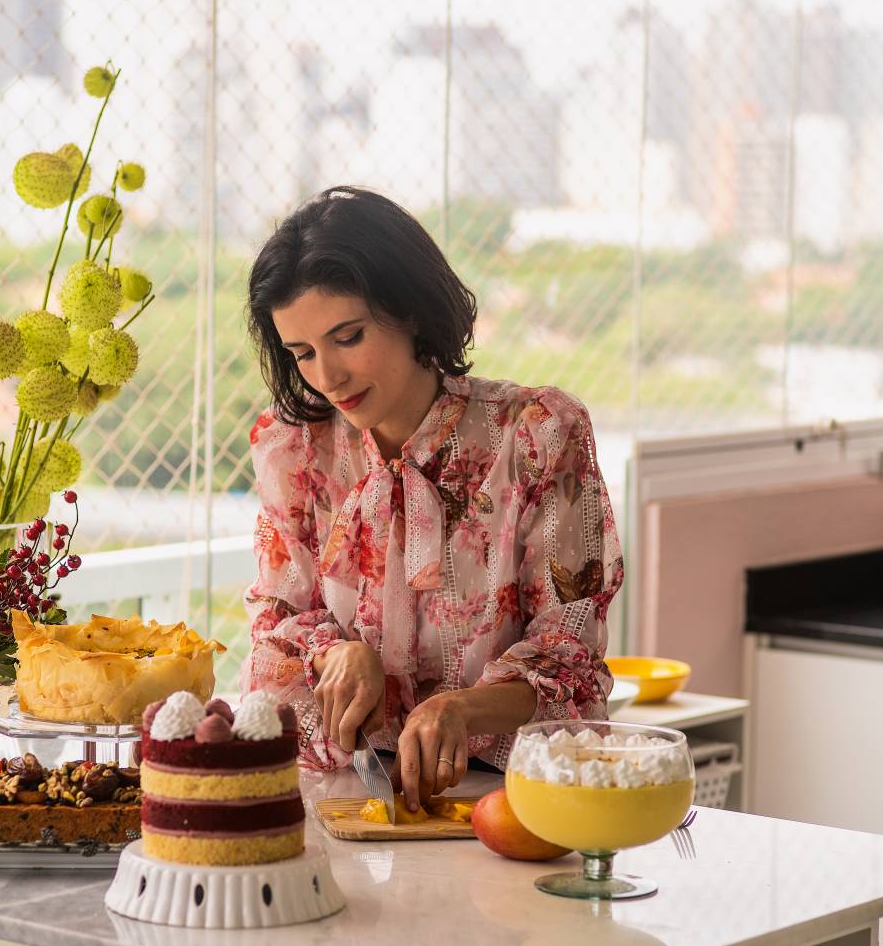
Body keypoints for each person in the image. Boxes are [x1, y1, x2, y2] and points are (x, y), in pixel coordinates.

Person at [240, 187, 623, 811]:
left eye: (348, 336)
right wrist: (339, 653)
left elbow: (571, 647)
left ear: (409, 309)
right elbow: (273, 623)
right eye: (302, 353)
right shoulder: (296, 450)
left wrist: (463, 709)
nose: (327, 377)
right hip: (348, 797)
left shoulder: (537, 433)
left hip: (521, 798)